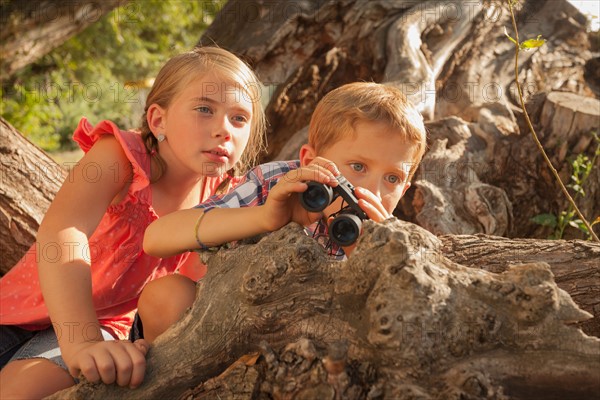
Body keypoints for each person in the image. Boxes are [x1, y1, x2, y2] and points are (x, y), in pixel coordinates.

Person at [0, 46, 266, 398]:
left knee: (25, 390)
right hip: (22, 308)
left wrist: (137, 342)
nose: (223, 129)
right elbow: (63, 232)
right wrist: (81, 339)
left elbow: (190, 288)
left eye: (239, 118)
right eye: (205, 109)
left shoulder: (226, 198)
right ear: (158, 120)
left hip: (107, 327)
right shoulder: (121, 157)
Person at [136, 81, 427, 345]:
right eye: (358, 167)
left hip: (309, 342)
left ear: (405, 190)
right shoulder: (277, 183)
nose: (372, 190)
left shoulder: (393, 237)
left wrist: (369, 253)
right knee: (165, 295)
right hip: (229, 318)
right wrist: (264, 217)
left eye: (392, 179)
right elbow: (156, 239)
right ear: (311, 161)